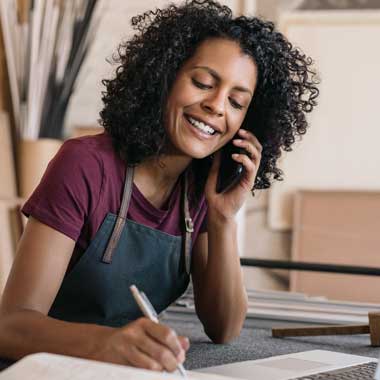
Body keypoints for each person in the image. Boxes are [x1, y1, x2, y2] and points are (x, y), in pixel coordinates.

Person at [0, 0, 319, 373]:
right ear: (164, 77)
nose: (217, 106)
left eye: (236, 101)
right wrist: (107, 344)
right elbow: (11, 325)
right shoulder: (85, 165)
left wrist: (222, 219)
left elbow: (224, 328)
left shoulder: (199, 189)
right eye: (202, 83)